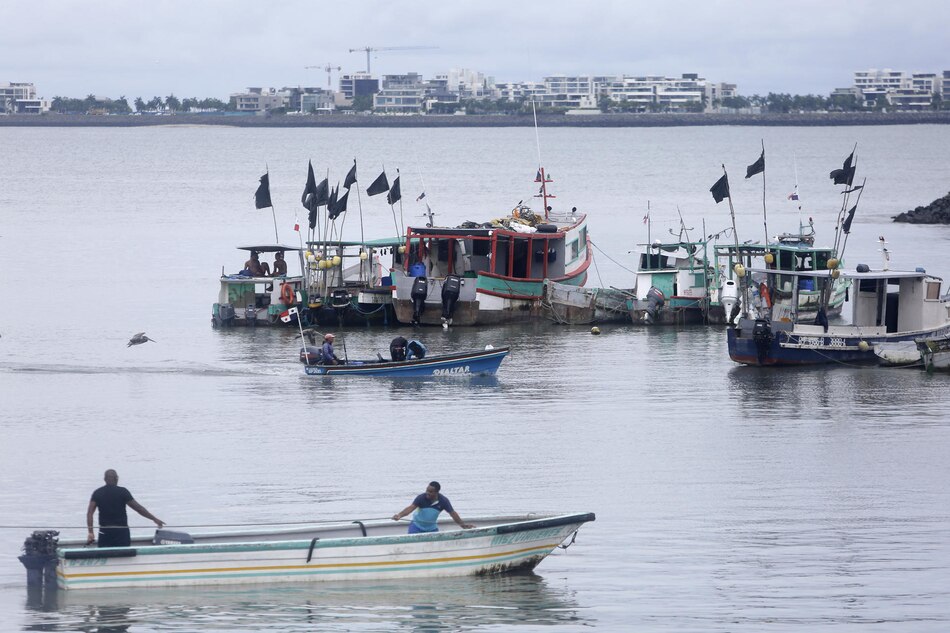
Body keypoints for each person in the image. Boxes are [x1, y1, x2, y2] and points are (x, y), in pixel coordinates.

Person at [86, 469, 164, 547]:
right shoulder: (123, 492)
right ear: (117, 478)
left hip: (105, 531)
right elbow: (138, 508)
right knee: (124, 555)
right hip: (121, 531)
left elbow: (90, 513)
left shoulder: (97, 493)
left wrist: (91, 532)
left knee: (105, 554)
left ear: (104, 479)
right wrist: (154, 519)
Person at [392, 481, 473, 533]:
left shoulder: (443, 501)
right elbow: (410, 508)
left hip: (431, 528)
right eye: (427, 490)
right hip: (416, 527)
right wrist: (399, 515)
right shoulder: (421, 498)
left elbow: (453, 514)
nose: (427, 493)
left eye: (430, 492)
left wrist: (463, 525)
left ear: (437, 492)